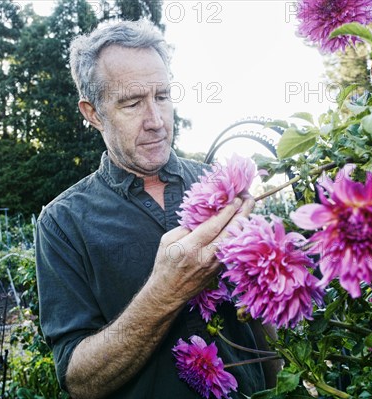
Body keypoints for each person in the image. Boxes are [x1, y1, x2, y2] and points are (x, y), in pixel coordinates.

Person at [35, 19, 272, 399]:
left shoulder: (221, 186)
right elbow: (78, 379)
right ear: (93, 113)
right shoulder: (63, 223)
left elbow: (261, 316)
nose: (156, 122)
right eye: (132, 103)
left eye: (162, 97)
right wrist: (165, 292)